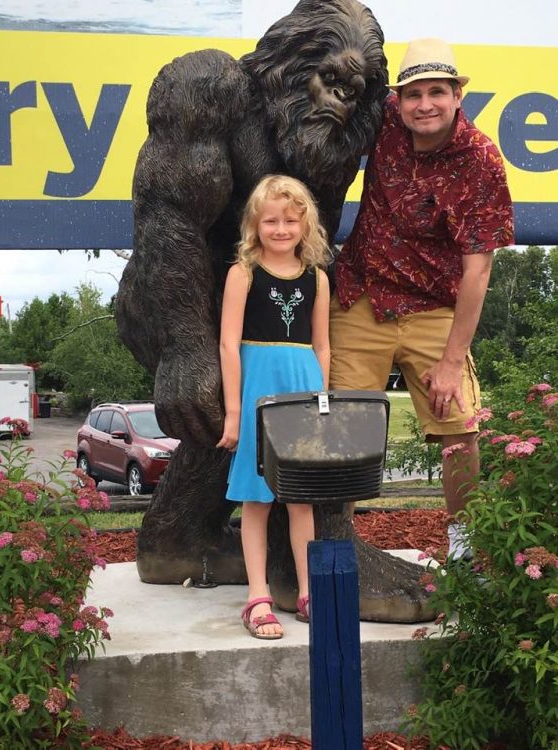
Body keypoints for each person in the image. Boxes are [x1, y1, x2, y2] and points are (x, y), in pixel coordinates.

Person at [330, 38, 514, 562]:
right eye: (413, 94)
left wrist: (453, 361)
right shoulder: (385, 120)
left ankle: (465, 549)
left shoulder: (481, 161)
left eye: (437, 91)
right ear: (399, 101)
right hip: (361, 297)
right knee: (342, 428)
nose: (424, 104)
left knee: (459, 428)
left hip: (436, 309)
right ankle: (336, 549)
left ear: (458, 95)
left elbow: (478, 269)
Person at [217, 174, 331, 638]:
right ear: (254, 225)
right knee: (256, 500)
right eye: (270, 221)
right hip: (257, 392)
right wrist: (232, 412)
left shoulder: (317, 278)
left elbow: (322, 346)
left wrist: (322, 406)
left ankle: (308, 592)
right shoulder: (242, 273)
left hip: (302, 388)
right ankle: (257, 595)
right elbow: (227, 344)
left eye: (290, 220)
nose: (281, 229)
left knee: (301, 500)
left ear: (306, 225)